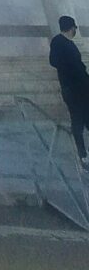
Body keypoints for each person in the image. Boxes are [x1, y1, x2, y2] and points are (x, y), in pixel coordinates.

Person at [49, 15, 89, 169]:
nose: (75, 31)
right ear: (71, 28)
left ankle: (84, 155)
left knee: (84, 119)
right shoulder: (60, 42)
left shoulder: (66, 43)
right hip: (74, 89)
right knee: (78, 120)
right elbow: (55, 61)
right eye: (75, 28)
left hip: (79, 88)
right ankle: (83, 156)